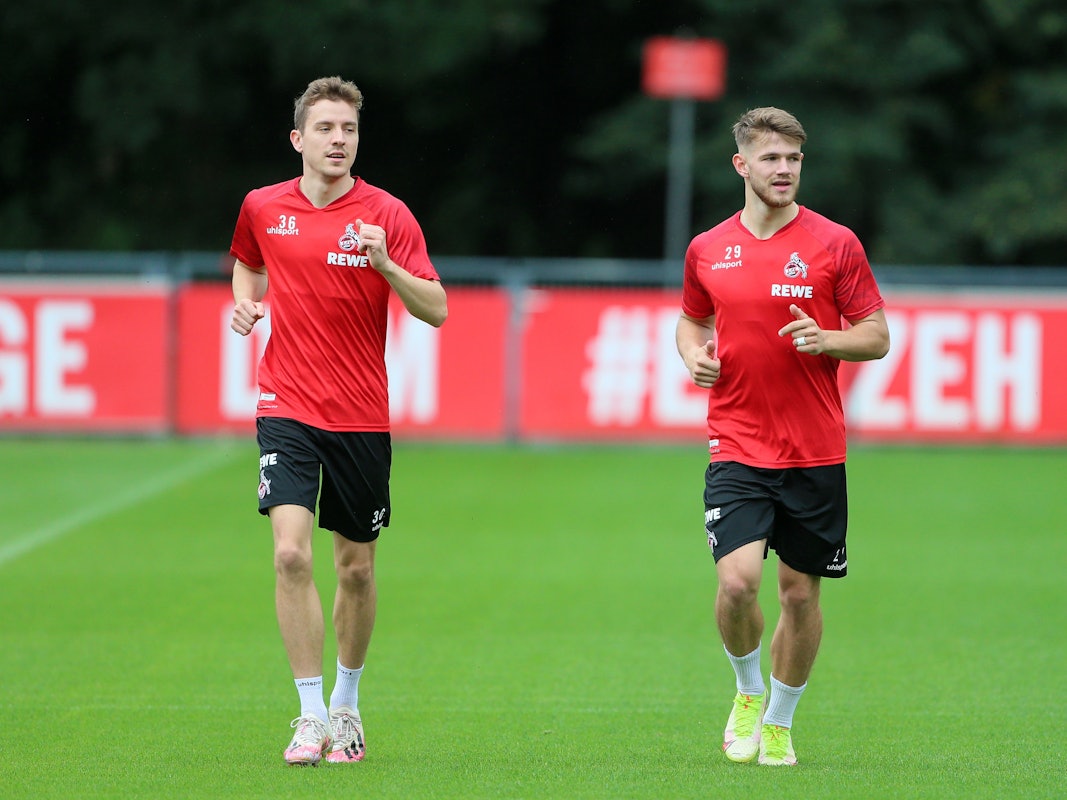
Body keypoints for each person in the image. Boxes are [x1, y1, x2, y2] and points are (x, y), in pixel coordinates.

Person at [228, 76, 447, 765]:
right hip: (286, 403)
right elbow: (247, 263)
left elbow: (436, 308)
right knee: (290, 551)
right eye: (324, 129)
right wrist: (245, 305)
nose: (337, 140)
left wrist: (384, 263)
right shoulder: (264, 206)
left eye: (347, 130)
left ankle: (348, 706)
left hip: (359, 415)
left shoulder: (387, 215)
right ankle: (309, 714)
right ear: (299, 138)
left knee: (355, 569)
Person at [675, 107, 890, 766]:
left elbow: (877, 336)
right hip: (736, 440)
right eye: (770, 159)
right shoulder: (707, 248)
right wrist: (693, 355)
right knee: (738, 582)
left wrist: (827, 339)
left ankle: (779, 721)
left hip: (814, 448)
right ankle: (746, 691)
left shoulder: (834, 244)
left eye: (793, 159)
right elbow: (689, 321)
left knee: (798, 594)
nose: (784, 170)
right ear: (741, 165)